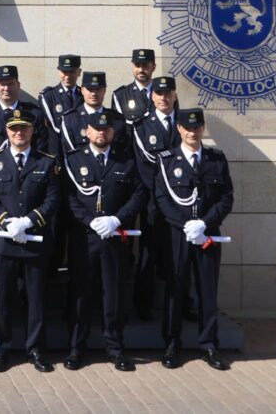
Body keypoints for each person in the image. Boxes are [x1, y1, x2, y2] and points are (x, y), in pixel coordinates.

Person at [62, 110, 147, 372]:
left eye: (106, 129)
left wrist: (117, 220)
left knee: (114, 295)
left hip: (114, 239)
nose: (101, 133)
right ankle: (77, 348)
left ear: (113, 133)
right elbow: (69, 197)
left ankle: (115, 348)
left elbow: (139, 194)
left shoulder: (126, 161)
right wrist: (89, 221)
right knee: (80, 294)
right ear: (87, 131)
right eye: (96, 129)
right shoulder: (73, 161)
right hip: (84, 239)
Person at [155, 108, 234, 371]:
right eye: (187, 128)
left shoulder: (216, 159)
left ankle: (209, 344)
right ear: (179, 129)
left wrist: (204, 224)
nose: (192, 132)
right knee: (175, 290)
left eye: (197, 128)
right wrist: (186, 225)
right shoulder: (167, 160)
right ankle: (171, 344)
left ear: (203, 129)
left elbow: (226, 198)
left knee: (207, 291)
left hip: (207, 235)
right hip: (178, 236)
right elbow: (162, 199)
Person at [0, 109, 60, 374]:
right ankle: (1, 350)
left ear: (32, 131)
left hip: (35, 241)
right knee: (2, 299)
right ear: (7, 131)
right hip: (4, 243)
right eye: (14, 128)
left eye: (24, 128)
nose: (19, 133)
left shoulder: (46, 162)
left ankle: (35, 349)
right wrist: (7, 222)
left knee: (36, 300)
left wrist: (28, 221)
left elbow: (52, 200)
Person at [130, 75, 181, 320]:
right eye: (159, 94)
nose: (164, 98)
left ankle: (180, 305)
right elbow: (144, 168)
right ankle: (144, 304)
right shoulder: (141, 126)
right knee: (149, 253)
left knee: (179, 254)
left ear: (175, 96)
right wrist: (163, 197)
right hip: (153, 201)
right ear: (152, 96)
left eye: (168, 93)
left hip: (181, 203)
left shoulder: (185, 125)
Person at [0, 65, 50, 156]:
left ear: (18, 85)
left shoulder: (34, 114)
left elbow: (41, 148)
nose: (6, 88)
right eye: (2, 84)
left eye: (10, 84)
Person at [39, 55, 83, 158]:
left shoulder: (85, 95)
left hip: (80, 152)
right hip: (58, 152)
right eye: (64, 72)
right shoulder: (48, 96)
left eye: (71, 72)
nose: (67, 76)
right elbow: (54, 127)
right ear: (59, 72)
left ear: (79, 72)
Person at [112, 49, 157, 122]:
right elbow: (119, 127)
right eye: (137, 65)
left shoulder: (165, 93)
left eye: (145, 66)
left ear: (153, 67)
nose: (141, 70)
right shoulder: (121, 95)